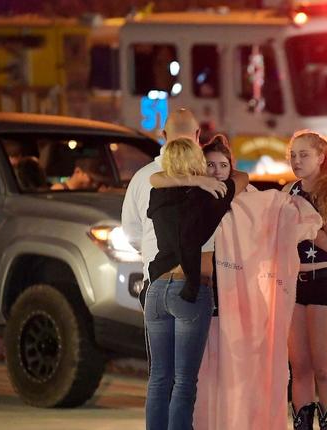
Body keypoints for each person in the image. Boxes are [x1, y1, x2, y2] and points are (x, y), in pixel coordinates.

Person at [143, 137, 248, 430]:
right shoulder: (210, 196)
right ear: (196, 165)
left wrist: (193, 178)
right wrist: (202, 181)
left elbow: (157, 177)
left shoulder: (157, 195)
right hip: (189, 291)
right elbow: (243, 177)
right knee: (184, 381)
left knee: (159, 377)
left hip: (156, 292)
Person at [283, 131, 327, 430]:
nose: (297, 161)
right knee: (299, 368)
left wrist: (302, 217)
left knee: (324, 367)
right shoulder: (289, 191)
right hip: (295, 284)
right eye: (293, 155)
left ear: (321, 157)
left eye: (304, 154)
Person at [121, 108, 223, 302]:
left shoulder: (142, 178)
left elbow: (132, 235)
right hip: (198, 285)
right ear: (197, 134)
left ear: (164, 135)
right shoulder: (212, 179)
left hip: (155, 284)